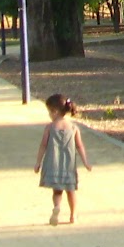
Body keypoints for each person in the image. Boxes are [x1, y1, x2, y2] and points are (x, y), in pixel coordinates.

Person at [34, 93, 92, 226]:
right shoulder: (73, 127)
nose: (49, 115)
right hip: (69, 165)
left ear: (55, 111)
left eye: (49, 112)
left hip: (53, 164)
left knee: (57, 191)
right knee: (71, 191)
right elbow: (80, 146)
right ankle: (73, 215)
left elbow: (43, 146)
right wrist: (86, 162)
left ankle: (57, 207)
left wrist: (38, 163)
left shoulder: (50, 127)